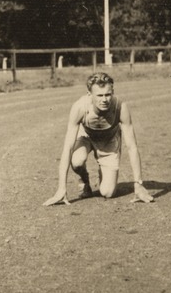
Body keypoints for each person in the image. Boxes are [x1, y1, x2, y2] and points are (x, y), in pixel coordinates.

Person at [43, 72, 154, 206]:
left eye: (108, 95)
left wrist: (138, 184)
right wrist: (61, 189)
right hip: (86, 137)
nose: (104, 100)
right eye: (99, 95)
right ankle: (84, 180)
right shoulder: (79, 107)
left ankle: (104, 169)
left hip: (109, 141)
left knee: (107, 193)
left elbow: (132, 147)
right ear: (89, 94)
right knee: (77, 161)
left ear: (113, 91)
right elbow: (68, 148)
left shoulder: (120, 107)